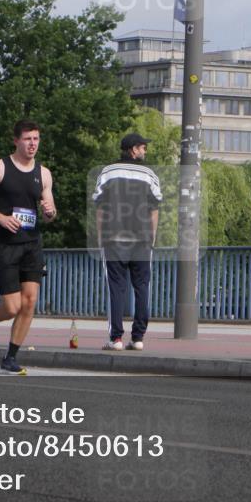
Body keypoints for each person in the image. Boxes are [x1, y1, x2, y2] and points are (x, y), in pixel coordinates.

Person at [0, 120, 57, 375]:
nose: (33, 144)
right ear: (16, 140)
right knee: (11, 307)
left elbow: (50, 209)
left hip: (32, 243)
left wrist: (50, 212)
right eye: (28, 139)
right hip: (5, 243)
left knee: (29, 303)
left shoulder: (44, 173)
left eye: (36, 139)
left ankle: (10, 358)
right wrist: (0, 217)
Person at [93, 132, 162, 351]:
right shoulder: (149, 174)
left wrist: (100, 236)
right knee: (142, 286)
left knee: (116, 288)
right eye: (142, 147)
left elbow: (101, 208)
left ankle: (116, 339)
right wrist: (153, 237)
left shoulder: (107, 172)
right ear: (133, 150)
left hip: (114, 238)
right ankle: (138, 337)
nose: (145, 151)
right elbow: (154, 209)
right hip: (142, 239)